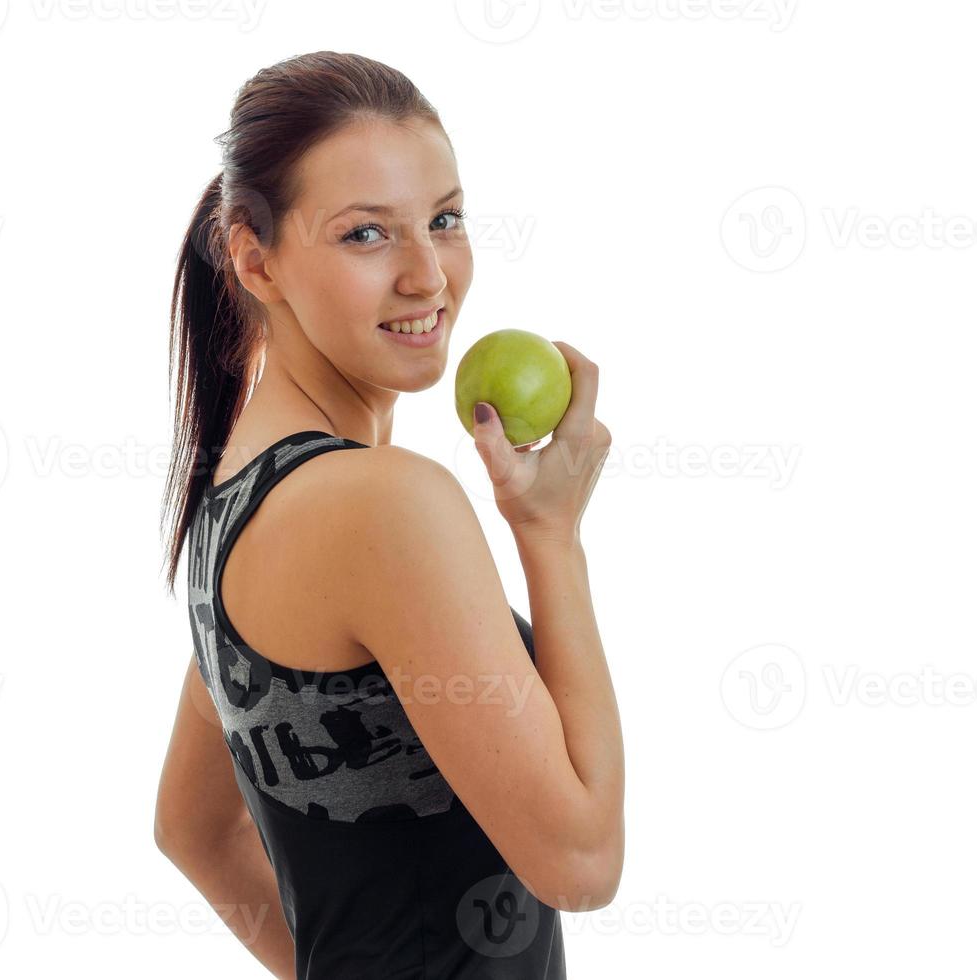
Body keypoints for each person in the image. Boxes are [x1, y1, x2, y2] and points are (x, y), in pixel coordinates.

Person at [153, 50, 623, 979]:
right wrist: (551, 536)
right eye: (366, 235)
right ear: (255, 256)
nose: (428, 276)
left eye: (443, 220)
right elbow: (580, 861)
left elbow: (191, 828)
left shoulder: (236, 502)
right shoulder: (383, 503)